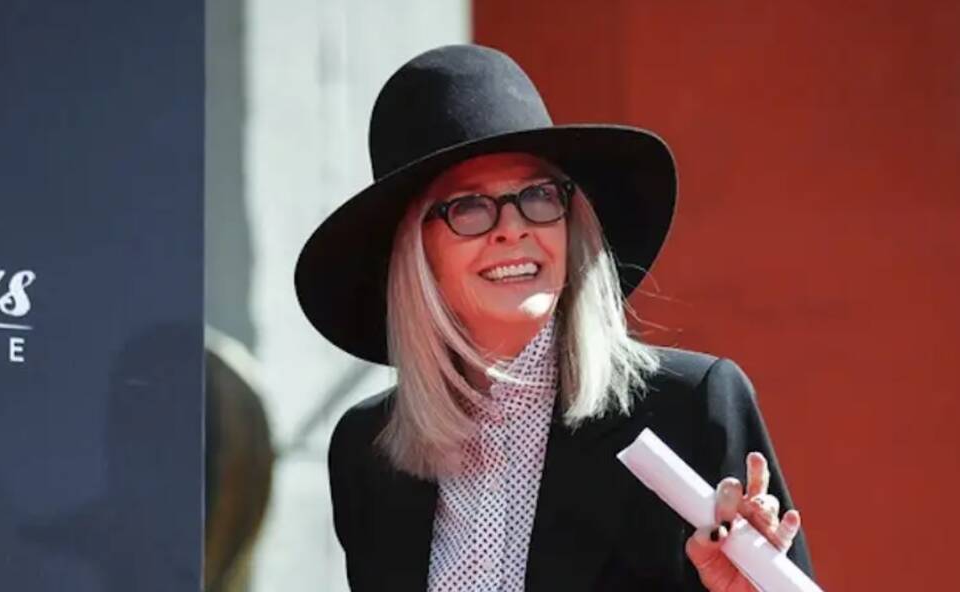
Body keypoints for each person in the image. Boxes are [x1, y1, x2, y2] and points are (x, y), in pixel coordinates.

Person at [294, 44, 814, 591]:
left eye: (538, 195)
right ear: (413, 252)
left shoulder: (688, 407)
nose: (513, 228)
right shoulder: (367, 451)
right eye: (469, 206)